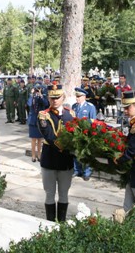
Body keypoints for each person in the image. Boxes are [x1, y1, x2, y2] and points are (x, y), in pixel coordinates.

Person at [38, 84, 75, 222]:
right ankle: (50, 224)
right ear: (48, 98)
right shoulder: (43, 115)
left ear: (63, 97)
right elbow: (48, 135)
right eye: (52, 98)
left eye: (57, 97)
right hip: (50, 160)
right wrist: (64, 145)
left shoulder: (70, 114)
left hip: (66, 161)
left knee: (64, 193)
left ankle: (62, 223)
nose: (54, 100)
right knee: (49, 193)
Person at [72, 87, 96, 180]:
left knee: (86, 153)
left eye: (79, 96)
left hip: (86, 133)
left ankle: (87, 172)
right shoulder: (74, 106)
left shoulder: (90, 107)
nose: (77, 98)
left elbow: (93, 121)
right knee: (75, 152)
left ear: (84, 97)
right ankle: (77, 170)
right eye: (76, 96)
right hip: (76, 133)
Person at [28, 82, 49, 162]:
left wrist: (40, 95)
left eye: (38, 89)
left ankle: (39, 155)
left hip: (40, 120)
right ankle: (33, 155)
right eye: (36, 89)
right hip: (33, 120)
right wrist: (31, 94)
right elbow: (29, 104)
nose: (37, 90)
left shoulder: (42, 96)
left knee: (40, 139)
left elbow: (46, 103)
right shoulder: (32, 97)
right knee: (33, 139)